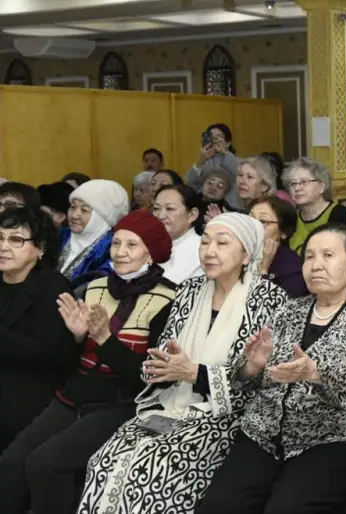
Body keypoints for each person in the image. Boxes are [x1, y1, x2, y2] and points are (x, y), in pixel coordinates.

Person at [77, 213, 287, 514]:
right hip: (171, 403)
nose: (209, 251)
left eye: (222, 243)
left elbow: (258, 380)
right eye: (204, 242)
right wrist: (166, 366)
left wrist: (194, 373)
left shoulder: (269, 300)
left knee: (150, 471)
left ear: (246, 253)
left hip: (228, 418)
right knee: (104, 461)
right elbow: (161, 360)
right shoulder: (189, 291)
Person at [195, 224, 346, 514]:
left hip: (334, 439)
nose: (316, 265)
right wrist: (253, 366)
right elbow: (244, 382)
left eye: (328, 255)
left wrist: (317, 373)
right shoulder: (289, 310)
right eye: (310, 257)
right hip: (263, 433)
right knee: (218, 506)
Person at [0, 210, 176, 514]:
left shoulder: (167, 299)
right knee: (12, 461)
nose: (120, 253)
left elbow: (148, 379)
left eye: (132, 245)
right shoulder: (95, 287)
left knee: (45, 464)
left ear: (152, 251)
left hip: (123, 401)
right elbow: (66, 359)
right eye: (116, 243)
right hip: (75, 392)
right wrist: (78, 338)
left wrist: (105, 338)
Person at [0, 207, 77, 453]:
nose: (3, 246)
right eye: (0, 237)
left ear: (41, 248)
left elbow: (47, 353)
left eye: (16, 240)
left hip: (29, 388)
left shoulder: (52, 287)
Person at [58, 180, 130, 294]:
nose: (75, 215)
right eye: (72, 207)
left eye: (84, 210)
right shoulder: (60, 235)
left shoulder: (113, 248)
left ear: (100, 218)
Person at [284, 157, 346, 255]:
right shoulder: (291, 218)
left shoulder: (340, 215)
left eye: (304, 182)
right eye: (293, 183)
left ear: (322, 187)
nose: (297, 188)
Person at [249, 196, 306, 298]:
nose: (253, 226)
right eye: (250, 219)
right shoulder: (237, 255)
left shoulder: (294, 270)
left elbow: (269, 309)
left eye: (263, 221)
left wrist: (263, 271)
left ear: (283, 232)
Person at [152, 185, 205, 285]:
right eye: (156, 208)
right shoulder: (146, 245)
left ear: (192, 215)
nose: (160, 216)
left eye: (170, 209)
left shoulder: (202, 251)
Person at [185, 122, 243, 210]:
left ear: (228, 143)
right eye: (211, 137)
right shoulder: (204, 162)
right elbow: (190, 183)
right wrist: (201, 160)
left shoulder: (238, 162)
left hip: (232, 208)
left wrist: (226, 153)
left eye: (218, 137)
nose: (214, 140)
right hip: (203, 206)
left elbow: (238, 175)